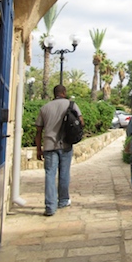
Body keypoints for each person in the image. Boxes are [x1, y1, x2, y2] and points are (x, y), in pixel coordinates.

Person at [35, 84, 84, 217]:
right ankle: (63, 200)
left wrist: (38, 149)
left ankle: (50, 207)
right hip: (66, 145)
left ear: (54, 93)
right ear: (64, 92)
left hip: (49, 146)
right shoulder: (71, 105)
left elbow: (38, 131)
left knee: (50, 175)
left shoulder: (44, 108)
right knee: (64, 173)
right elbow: (81, 122)